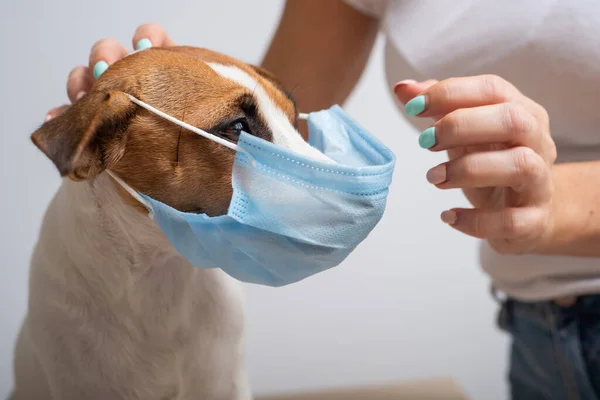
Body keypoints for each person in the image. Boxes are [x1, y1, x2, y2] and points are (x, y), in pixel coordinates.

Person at [45, 1, 600, 398]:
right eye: (241, 128)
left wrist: (558, 206)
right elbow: (261, 90)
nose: (320, 173)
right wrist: (163, 80)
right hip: (539, 335)